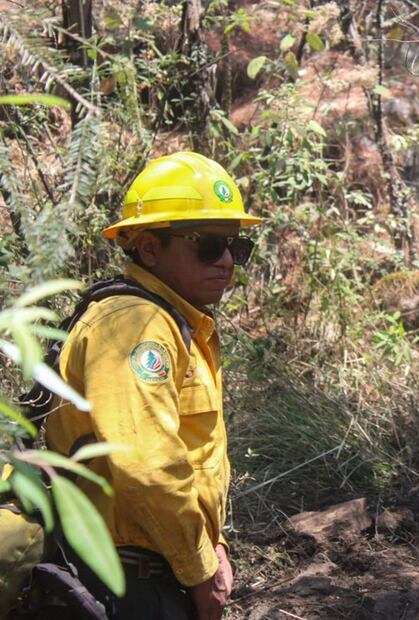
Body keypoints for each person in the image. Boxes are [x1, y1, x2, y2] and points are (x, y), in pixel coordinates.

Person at [44, 152, 264, 620]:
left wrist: (214, 545)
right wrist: (201, 572)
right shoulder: (136, 326)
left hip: (154, 573)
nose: (227, 261)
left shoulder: (178, 324)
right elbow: (147, 465)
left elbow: (194, 454)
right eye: (208, 246)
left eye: (236, 246)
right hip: (120, 583)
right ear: (148, 248)